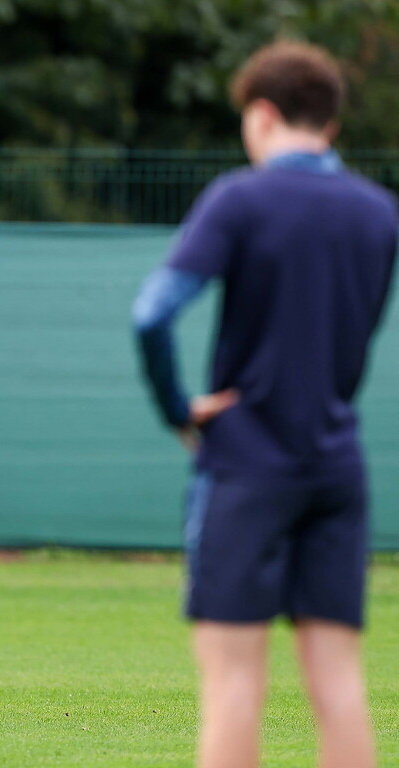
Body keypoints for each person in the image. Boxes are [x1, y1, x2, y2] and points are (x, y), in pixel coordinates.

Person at [132, 41, 396, 768]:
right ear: (332, 124)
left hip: (246, 462)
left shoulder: (240, 197)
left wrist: (179, 409)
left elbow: (152, 313)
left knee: (233, 685)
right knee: (339, 684)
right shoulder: (380, 214)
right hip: (337, 463)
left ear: (264, 114)